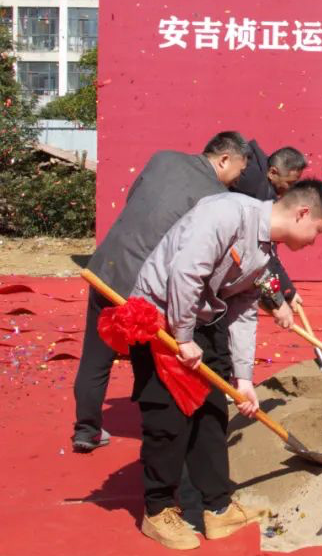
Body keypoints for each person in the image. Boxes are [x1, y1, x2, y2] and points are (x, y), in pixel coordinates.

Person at [129, 179, 322, 550]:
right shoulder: (226, 213)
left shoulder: (264, 254)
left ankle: (218, 507)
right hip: (159, 318)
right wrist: (181, 337)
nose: (315, 241)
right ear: (302, 213)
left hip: (203, 321)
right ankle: (159, 509)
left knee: (211, 414)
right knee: (169, 419)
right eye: (318, 232)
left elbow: (243, 313)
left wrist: (243, 378)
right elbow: (185, 274)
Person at [71, 131, 250, 453]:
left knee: (95, 358)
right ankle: (162, 432)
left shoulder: (163, 157)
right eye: (239, 170)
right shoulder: (214, 198)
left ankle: (86, 430)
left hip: (106, 269)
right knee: (152, 364)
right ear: (224, 159)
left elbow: (135, 201)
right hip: (145, 290)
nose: (237, 180)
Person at [232, 143, 308, 307]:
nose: (291, 190)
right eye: (290, 183)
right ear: (273, 173)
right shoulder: (254, 188)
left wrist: (287, 290)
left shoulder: (255, 170)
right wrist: (284, 294)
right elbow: (263, 252)